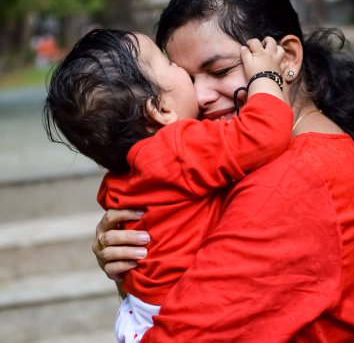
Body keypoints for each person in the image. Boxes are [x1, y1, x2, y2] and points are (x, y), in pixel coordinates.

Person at [92, 0, 354, 342]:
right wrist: (141, 260)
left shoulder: (294, 180)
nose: (200, 97)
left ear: (287, 57)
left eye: (220, 70)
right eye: (188, 79)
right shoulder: (257, 160)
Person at [43, 28, 294, 342]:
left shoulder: (124, 175)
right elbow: (264, 132)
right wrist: (266, 73)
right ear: (160, 111)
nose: (183, 72)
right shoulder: (178, 148)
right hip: (185, 311)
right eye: (168, 64)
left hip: (141, 312)